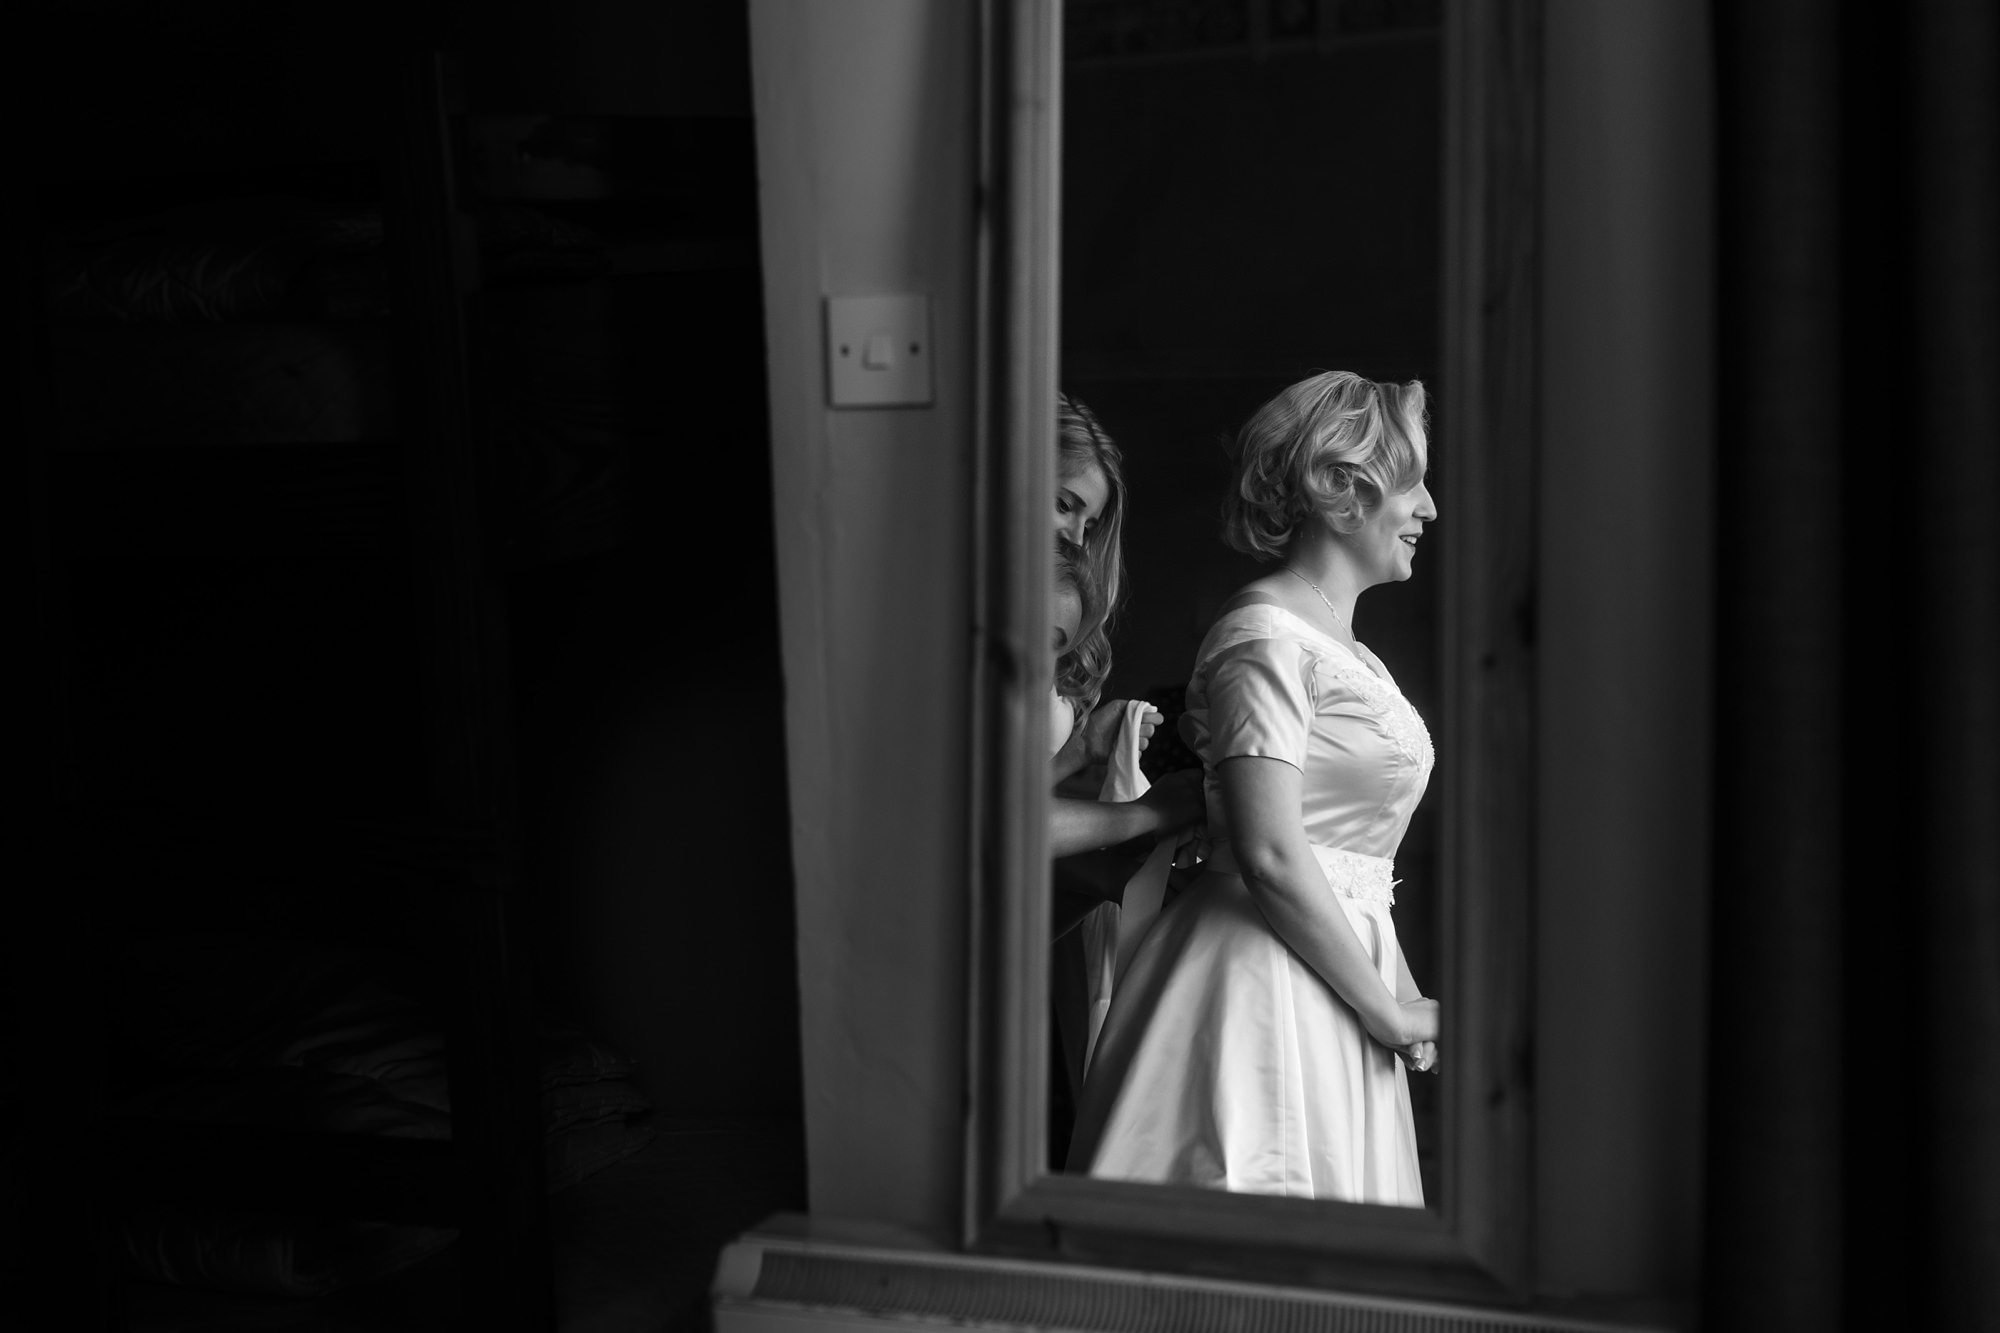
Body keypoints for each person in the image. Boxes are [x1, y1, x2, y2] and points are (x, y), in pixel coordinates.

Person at [1065, 371, 1440, 1205]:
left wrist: (1400, 991)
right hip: (1256, 985)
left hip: (1332, 974)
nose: (1429, 510)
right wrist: (1385, 1010)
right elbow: (1270, 850)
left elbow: (1349, 856)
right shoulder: (1265, 637)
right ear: (1343, 487)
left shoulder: (1344, 648)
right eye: (1412, 483)